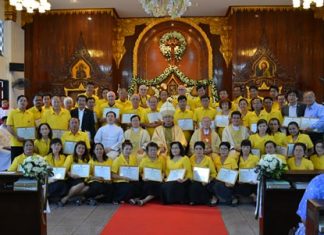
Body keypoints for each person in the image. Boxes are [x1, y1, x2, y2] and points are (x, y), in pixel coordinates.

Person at [130, 142, 164, 206]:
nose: (153, 152)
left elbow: (163, 171)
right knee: (139, 183)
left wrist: (162, 176)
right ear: (147, 152)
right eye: (151, 150)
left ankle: (143, 200)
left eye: (154, 150)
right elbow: (139, 171)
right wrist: (142, 176)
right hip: (146, 180)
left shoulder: (161, 160)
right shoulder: (144, 160)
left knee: (156, 185)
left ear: (157, 150)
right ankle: (139, 199)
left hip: (157, 181)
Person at [59, 141, 90, 206]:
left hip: (83, 179)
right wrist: (70, 174)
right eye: (79, 148)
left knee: (87, 188)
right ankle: (67, 198)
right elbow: (64, 169)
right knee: (81, 184)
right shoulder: (70, 157)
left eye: (83, 148)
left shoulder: (87, 158)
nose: (81, 150)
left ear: (85, 150)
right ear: (75, 149)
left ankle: (70, 197)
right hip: (72, 178)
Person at [6, 95, 35, 160]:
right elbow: (8, 127)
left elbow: (33, 128)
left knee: (28, 163)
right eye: (21, 100)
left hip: (28, 144)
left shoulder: (31, 114)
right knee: (16, 163)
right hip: (16, 143)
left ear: (27, 103)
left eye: (25, 101)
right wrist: (17, 137)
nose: (23, 102)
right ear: (17, 102)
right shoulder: (12, 113)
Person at [189, 141, 217, 205]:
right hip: (195, 180)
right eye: (196, 149)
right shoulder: (191, 159)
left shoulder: (208, 159)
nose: (198, 151)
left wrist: (208, 180)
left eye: (200, 149)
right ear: (194, 150)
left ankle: (209, 198)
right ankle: (195, 200)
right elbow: (189, 171)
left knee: (204, 185)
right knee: (193, 185)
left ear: (203, 150)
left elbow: (213, 173)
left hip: (205, 181)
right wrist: (191, 178)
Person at [44, 138, 69, 203]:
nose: (56, 146)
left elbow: (64, 169)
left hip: (62, 179)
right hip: (51, 180)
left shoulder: (64, 157)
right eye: (54, 144)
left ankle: (53, 199)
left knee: (64, 184)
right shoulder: (46, 157)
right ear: (51, 146)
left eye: (58, 145)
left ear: (61, 147)